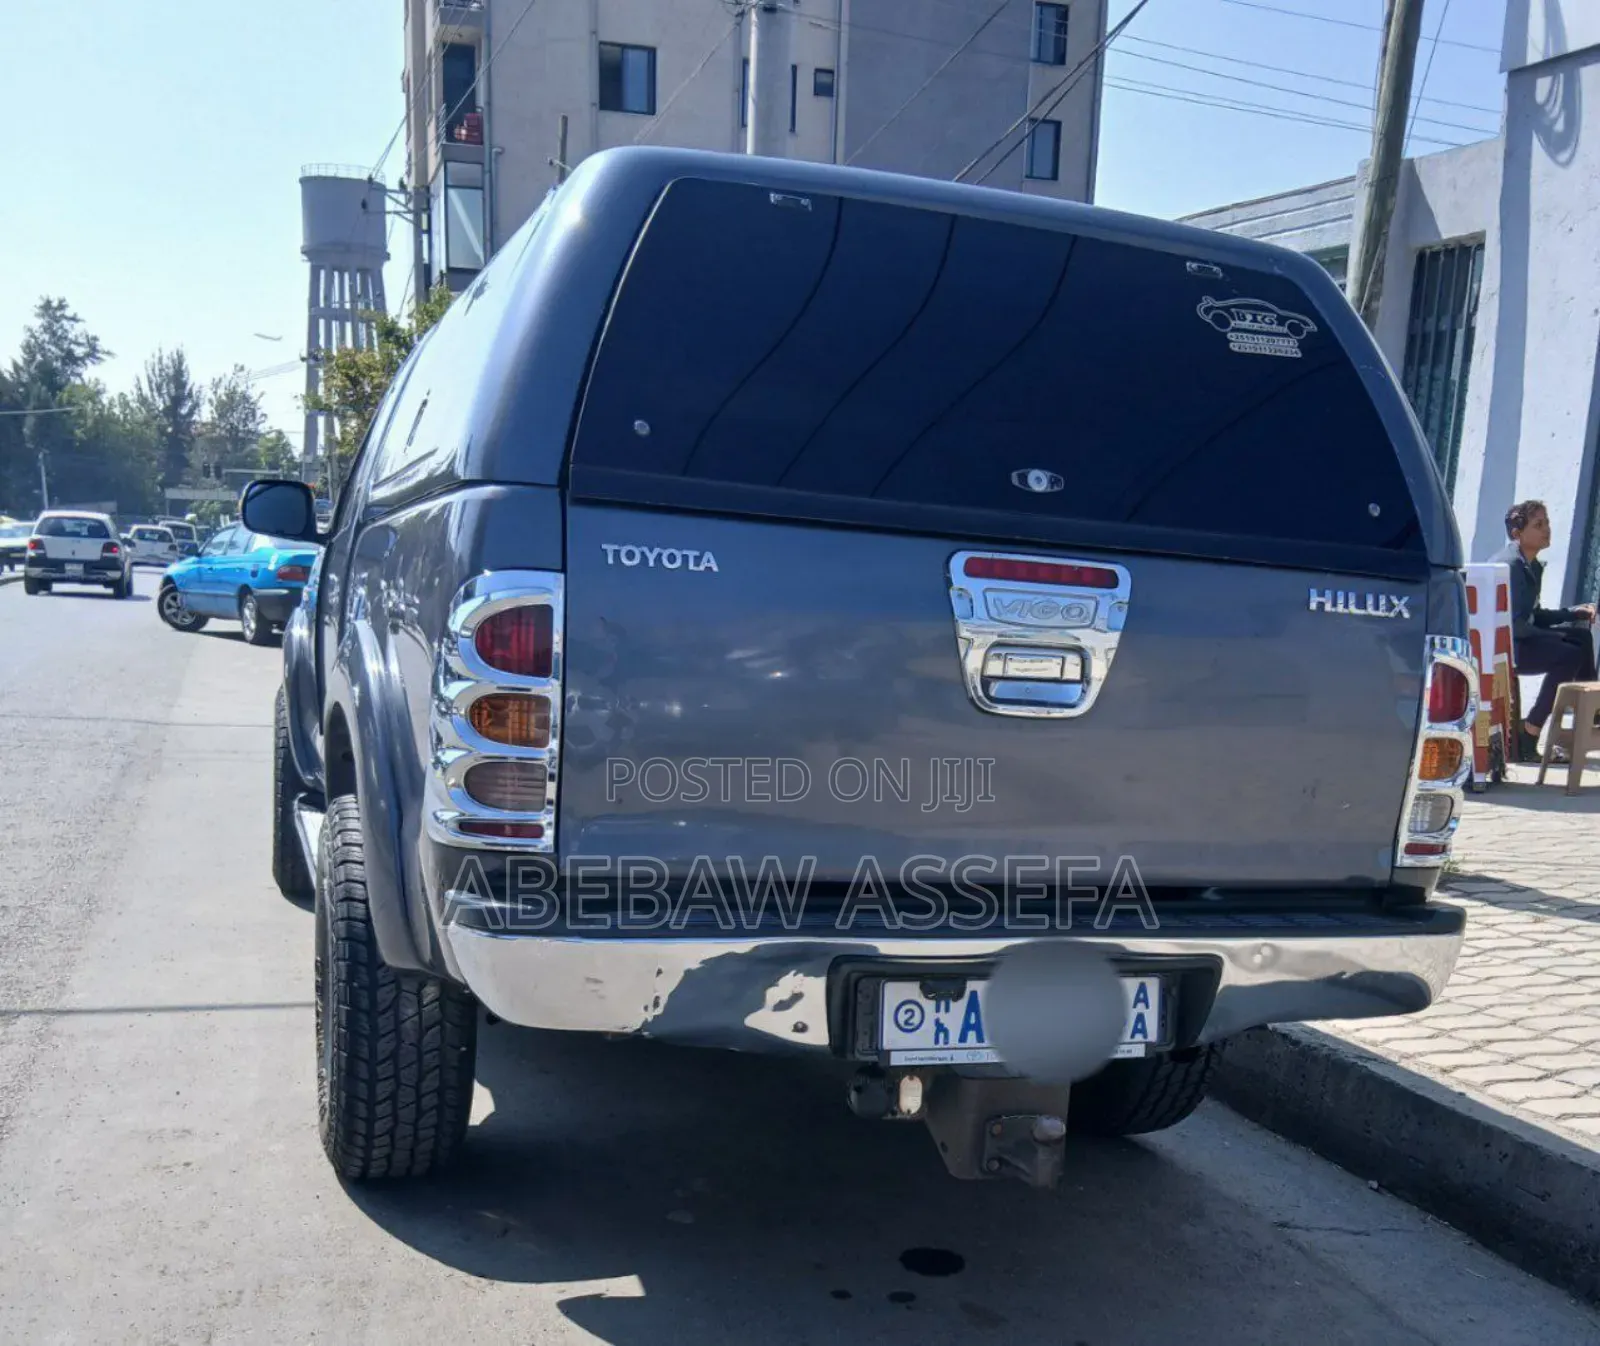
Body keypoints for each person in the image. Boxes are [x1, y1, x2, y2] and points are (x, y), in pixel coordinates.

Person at [1502, 500, 1597, 761]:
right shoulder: (1511, 567)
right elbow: (1516, 625)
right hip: (1508, 648)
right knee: (1569, 653)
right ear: (1517, 533)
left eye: (1547, 523)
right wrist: (1556, 636)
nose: (1547, 530)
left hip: (1521, 640)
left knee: (1581, 636)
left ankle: (1591, 714)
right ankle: (1529, 732)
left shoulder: (1530, 565)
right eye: (1539, 525)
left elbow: (1535, 615)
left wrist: (1572, 613)